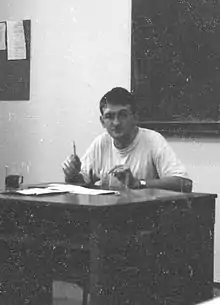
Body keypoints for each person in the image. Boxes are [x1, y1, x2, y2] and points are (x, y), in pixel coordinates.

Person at [62, 87, 192, 192]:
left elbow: (184, 183)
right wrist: (72, 174)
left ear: (135, 117)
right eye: (109, 116)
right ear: (102, 122)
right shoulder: (101, 143)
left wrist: (138, 183)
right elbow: (80, 182)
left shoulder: (153, 140)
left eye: (123, 115)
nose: (116, 122)